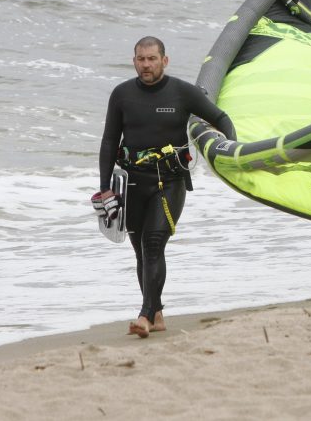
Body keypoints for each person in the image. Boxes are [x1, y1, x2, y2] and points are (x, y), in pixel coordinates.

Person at [98, 36, 234, 338]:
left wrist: (231, 153)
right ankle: (157, 313)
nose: (146, 64)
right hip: (132, 184)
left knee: (153, 243)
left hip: (169, 182)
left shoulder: (182, 93)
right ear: (134, 61)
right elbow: (109, 142)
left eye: (152, 59)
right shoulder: (121, 95)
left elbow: (220, 117)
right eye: (141, 59)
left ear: (164, 60)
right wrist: (104, 187)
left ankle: (144, 316)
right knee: (140, 253)